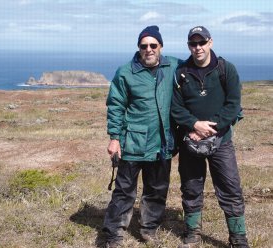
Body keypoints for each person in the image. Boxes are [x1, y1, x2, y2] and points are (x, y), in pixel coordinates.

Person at [171, 26, 249, 248]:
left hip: (221, 142)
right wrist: (194, 125)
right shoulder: (181, 73)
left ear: (210, 43)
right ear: (189, 46)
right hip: (190, 142)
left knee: (230, 188)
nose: (198, 48)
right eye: (193, 44)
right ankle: (192, 233)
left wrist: (209, 128)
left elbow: (233, 105)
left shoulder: (226, 69)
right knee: (191, 187)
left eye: (201, 43)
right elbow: (176, 108)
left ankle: (238, 238)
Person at [103, 25, 180, 248]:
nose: (148, 49)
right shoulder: (126, 72)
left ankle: (149, 229)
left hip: (163, 143)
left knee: (157, 190)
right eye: (144, 46)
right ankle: (114, 234)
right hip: (133, 143)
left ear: (160, 47)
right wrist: (115, 137)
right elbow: (116, 105)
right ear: (139, 48)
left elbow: (197, 73)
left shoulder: (173, 65)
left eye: (153, 45)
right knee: (124, 192)